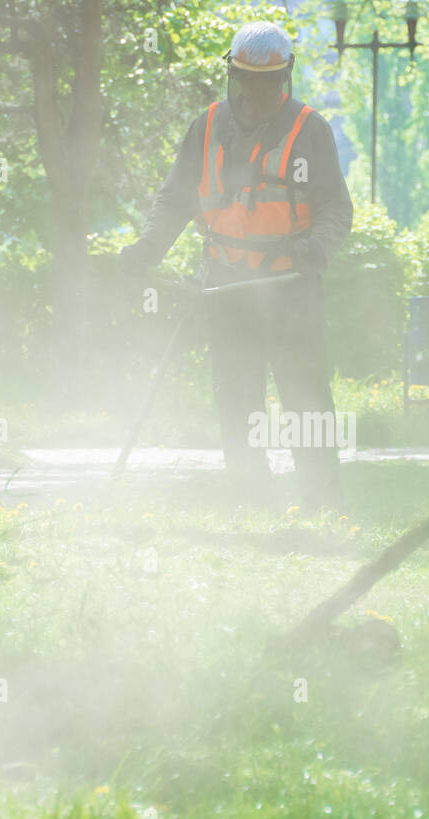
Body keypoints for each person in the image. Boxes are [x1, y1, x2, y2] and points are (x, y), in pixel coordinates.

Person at [119, 21, 353, 511]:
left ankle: (321, 500)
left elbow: (336, 207)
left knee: (306, 398)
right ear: (233, 75)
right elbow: (174, 199)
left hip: (290, 287)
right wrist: (147, 249)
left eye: (265, 83)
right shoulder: (205, 127)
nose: (253, 91)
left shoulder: (310, 129)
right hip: (226, 287)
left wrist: (318, 246)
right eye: (245, 80)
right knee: (237, 398)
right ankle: (252, 499)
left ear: (283, 80)